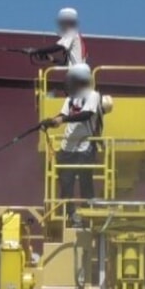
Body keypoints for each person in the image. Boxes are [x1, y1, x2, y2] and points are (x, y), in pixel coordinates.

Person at [42, 62, 103, 222]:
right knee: (66, 182)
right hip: (67, 147)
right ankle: (71, 214)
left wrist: (63, 119)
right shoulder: (70, 98)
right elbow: (62, 115)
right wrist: (50, 121)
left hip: (85, 147)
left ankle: (87, 213)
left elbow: (86, 114)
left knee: (85, 182)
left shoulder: (93, 95)